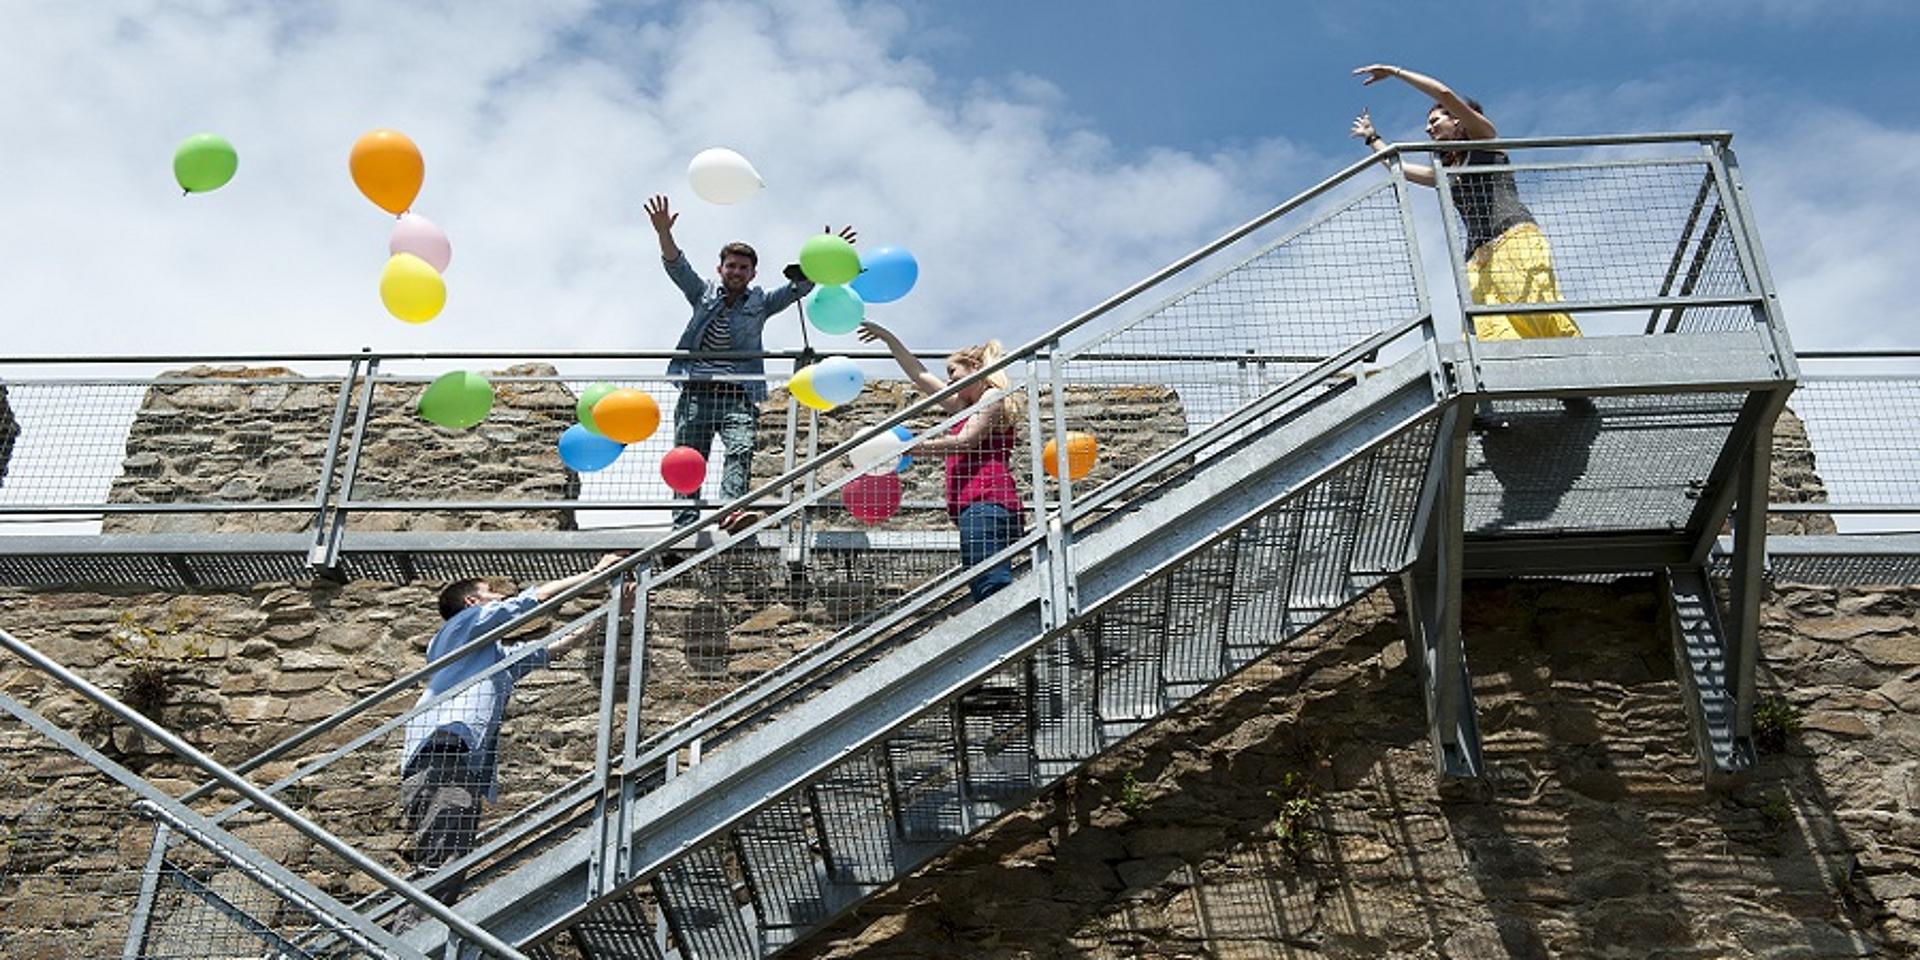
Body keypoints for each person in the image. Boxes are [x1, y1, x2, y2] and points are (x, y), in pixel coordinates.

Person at [395, 553, 625, 924]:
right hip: (441, 757)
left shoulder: (491, 655)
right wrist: (594, 575)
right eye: (492, 594)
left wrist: (609, 609)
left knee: (449, 861)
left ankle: (417, 938)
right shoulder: (461, 628)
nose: (500, 598)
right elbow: (528, 602)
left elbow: (549, 650)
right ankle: (407, 943)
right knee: (441, 863)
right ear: (473, 602)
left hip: (459, 763)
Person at [644, 194, 856, 531]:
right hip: (697, 392)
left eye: (743, 268)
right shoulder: (703, 294)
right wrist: (663, 232)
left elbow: (797, 289)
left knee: (740, 449)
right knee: (689, 460)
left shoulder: (760, 302)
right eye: (731, 266)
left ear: (753, 272)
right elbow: (677, 266)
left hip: (737, 393)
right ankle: (683, 527)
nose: (737, 272)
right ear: (721, 269)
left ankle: (731, 514)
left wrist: (829, 258)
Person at [1349, 64, 1582, 342]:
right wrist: (1373, 138)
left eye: (1435, 121)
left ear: (1457, 121)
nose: (1428, 128)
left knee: (1534, 309)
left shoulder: (1485, 138)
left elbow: (1445, 94)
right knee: (1488, 331)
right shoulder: (1448, 173)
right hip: (1476, 258)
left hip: (1513, 239)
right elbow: (1399, 168)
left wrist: (1395, 72)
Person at [858, 321, 1025, 602]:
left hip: (987, 502)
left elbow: (965, 441)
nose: (948, 381)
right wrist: (889, 339)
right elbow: (919, 374)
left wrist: (912, 448)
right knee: (981, 583)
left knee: (991, 586)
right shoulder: (963, 407)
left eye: (952, 372)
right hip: (973, 507)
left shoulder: (992, 396)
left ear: (975, 367)